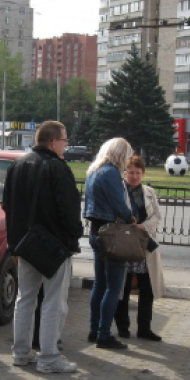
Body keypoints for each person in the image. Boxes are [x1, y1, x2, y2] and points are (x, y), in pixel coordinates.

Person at [3, 121, 83, 373]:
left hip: (25, 245)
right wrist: (74, 235)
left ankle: (21, 352)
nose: (66, 145)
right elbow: (69, 210)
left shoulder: (16, 165)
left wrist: (15, 243)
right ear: (53, 142)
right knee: (53, 302)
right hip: (54, 246)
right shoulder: (57, 168)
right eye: (65, 140)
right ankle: (49, 357)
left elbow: (7, 207)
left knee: (24, 297)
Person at [84, 138, 134, 350]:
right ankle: (104, 335)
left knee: (99, 284)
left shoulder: (93, 171)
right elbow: (119, 206)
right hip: (112, 235)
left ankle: (94, 330)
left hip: (96, 232)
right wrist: (130, 217)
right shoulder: (111, 173)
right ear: (121, 155)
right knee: (114, 287)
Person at [114, 155, 165, 341]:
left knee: (147, 288)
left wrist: (143, 226)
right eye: (130, 172)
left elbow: (157, 217)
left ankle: (144, 328)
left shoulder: (149, 192)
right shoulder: (119, 191)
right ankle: (123, 327)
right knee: (123, 287)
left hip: (145, 245)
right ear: (125, 173)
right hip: (125, 244)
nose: (134, 176)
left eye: (137, 172)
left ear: (143, 173)